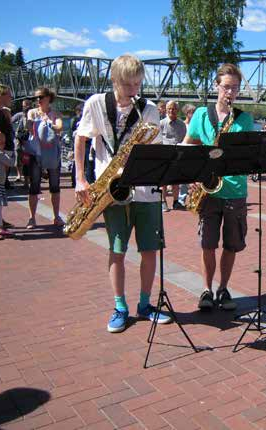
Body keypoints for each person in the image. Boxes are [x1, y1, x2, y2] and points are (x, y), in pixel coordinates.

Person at [74, 54, 172, 333]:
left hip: (146, 191)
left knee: (150, 251)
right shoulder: (96, 103)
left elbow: (157, 147)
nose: (134, 91)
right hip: (112, 190)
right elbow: (81, 138)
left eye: (138, 84)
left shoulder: (149, 109)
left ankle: (145, 304)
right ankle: (119, 307)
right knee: (117, 251)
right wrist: (81, 178)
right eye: (128, 85)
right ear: (115, 81)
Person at [182, 63, 254, 311]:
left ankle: (223, 288)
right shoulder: (201, 114)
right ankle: (206, 289)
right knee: (208, 244)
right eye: (226, 87)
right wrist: (191, 173)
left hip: (235, 190)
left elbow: (247, 154)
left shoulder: (244, 119)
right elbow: (188, 143)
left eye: (235, 88)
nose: (230, 93)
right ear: (216, 86)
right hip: (208, 190)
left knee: (231, 245)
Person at [24, 87, 65, 229]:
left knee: (55, 185)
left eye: (40, 96)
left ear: (48, 97)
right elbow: (29, 125)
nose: (38, 100)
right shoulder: (32, 112)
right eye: (36, 97)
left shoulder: (55, 113)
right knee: (34, 185)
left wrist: (50, 124)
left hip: (52, 152)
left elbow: (60, 127)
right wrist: (36, 123)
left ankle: (56, 216)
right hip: (36, 152)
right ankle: (32, 218)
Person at [160, 100, 187, 211]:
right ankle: (163, 202)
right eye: (169, 109)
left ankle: (176, 202)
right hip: (164, 156)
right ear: (166, 110)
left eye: (174, 109)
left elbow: (184, 140)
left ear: (178, 110)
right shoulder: (161, 123)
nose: (172, 111)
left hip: (177, 156)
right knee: (164, 181)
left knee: (176, 181)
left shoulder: (182, 125)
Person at [11, 99, 32, 186]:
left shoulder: (33, 114)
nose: (25, 107)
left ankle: (27, 179)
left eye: (26, 105)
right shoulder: (19, 115)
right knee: (18, 155)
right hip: (19, 139)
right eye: (24, 105)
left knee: (27, 159)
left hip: (29, 140)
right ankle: (19, 175)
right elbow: (10, 122)